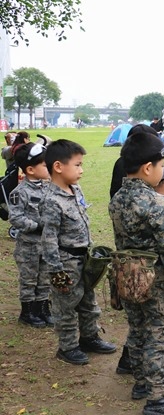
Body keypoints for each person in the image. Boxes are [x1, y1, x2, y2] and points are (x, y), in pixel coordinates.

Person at [108, 132, 164, 415]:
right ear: (148, 168)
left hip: (129, 278)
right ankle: (159, 398)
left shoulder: (118, 199)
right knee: (158, 338)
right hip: (157, 282)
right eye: (161, 164)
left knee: (137, 331)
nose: (162, 170)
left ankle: (142, 383)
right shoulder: (157, 204)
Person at [41, 139, 116, 365]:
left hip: (84, 258)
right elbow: (49, 239)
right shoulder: (51, 200)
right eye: (77, 165)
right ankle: (67, 347)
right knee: (66, 306)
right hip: (66, 262)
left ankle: (89, 337)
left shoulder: (75, 189)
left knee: (88, 302)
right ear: (58, 167)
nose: (81, 170)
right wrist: (56, 271)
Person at [9, 142, 52, 327]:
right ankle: (27, 312)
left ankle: (42, 309)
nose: (49, 168)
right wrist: (37, 226)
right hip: (28, 247)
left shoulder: (48, 188)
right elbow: (16, 218)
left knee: (44, 278)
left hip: (46, 245)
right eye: (44, 165)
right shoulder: (20, 192)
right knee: (29, 279)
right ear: (30, 169)